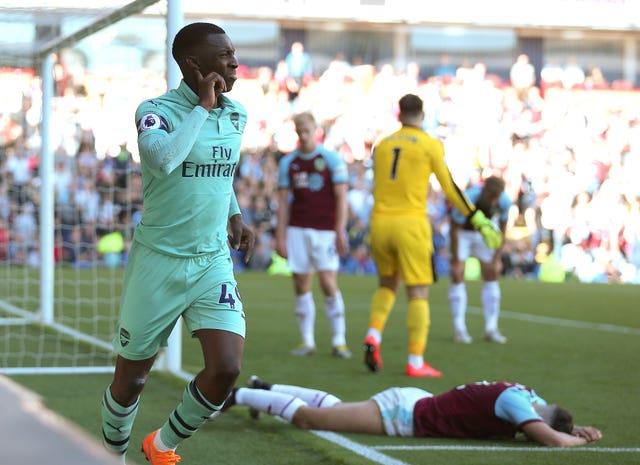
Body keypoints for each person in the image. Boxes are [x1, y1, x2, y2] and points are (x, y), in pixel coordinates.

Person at [99, 22, 255, 465]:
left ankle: (160, 446)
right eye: (223, 54)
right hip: (158, 263)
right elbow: (164, 159)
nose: (233, 61)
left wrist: (235, 214)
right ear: (192, 64)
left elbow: (219, 172)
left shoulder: (237, 114)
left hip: (210, 261)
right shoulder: (156, 111)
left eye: (233, 52)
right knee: (131, 380)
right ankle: (112, 455)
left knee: (225, 367)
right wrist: (202, 109)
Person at [363, 94, 502, 378]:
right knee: (418, 293)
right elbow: (449, 187)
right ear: (422, 115)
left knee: (388, 284)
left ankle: (374, 334)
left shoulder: (383, 144)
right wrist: (478, 218)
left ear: (398, 114)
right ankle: (415, 361)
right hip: (410, 224)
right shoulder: (429, 144)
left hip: (379, 222)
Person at [224, 376, 602, 447]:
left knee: (336, 408)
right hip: (404, 416)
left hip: (413, 403)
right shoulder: (518, 405)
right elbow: (550, 438)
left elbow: (549, 424)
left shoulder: (527, 394)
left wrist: (576, 427)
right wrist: (575, 440)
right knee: (310, 420)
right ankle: (238, 395)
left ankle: (267, 389)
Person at [275, 111, 351, 358]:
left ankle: (339, 340)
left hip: (325, 231)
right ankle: (307, 342)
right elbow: (284, 202)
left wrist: (340, 230)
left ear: (315, 130)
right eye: (300, 132)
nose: (304, 136)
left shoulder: (331, 159)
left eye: (307, 131)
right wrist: (281, 235)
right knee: (301, 283)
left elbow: (342, 197)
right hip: (298, 228)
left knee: (328, 283)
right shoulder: (289, 163)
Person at [448, 175, 512, 344]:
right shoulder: (468, 198)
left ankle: (491, 328)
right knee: (457, 273)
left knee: (492, 272)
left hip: (484, 233)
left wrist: (497, 258)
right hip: (462, 234)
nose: (492, 202)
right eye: (490, 197)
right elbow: (454, 228)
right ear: (483, 191)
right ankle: (460, 329)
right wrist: (455, 258)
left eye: (495, 198)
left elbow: (503, 229)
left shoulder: (504, 202)